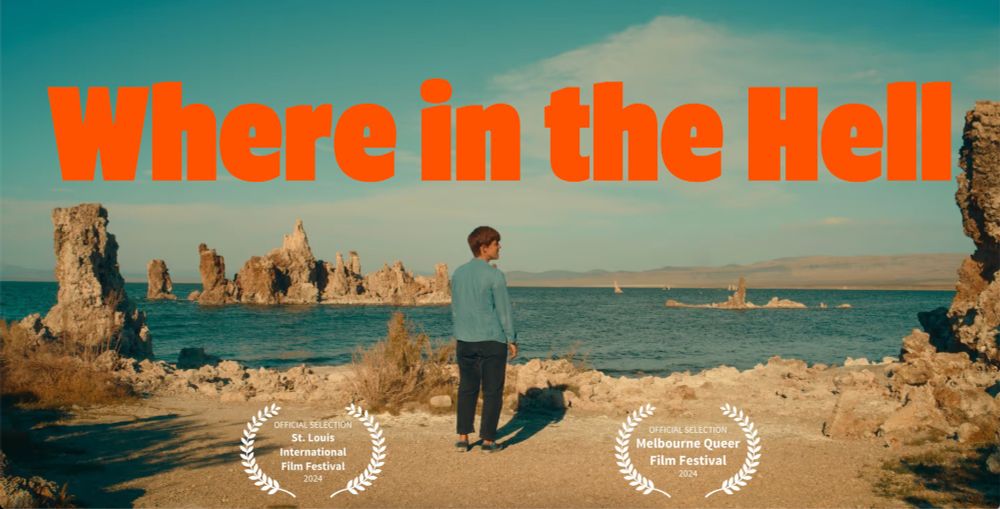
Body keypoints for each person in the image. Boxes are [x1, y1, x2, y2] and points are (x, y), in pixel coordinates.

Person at [451, 226, 518, 453]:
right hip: (492, 340)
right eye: (496, 243)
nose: (500, 246)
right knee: (492, 391)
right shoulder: (495, 275)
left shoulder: (458, 274)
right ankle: (488, 441)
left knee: (467, 388)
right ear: (484, 247)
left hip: (465, 340)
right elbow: (504, 310)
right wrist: (512, 338)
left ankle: (463, 438)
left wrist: (460, 333)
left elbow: (457, 308)